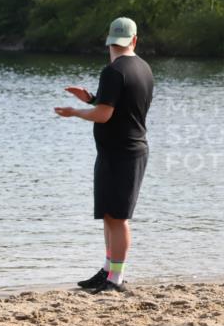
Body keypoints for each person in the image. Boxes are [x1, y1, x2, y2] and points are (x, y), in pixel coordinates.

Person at [55, 17, 154, 294]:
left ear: (110, 41)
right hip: (124, 151)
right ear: (134, 40)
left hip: (123, 153)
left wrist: (75, 112)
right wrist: (88, 98)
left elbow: (104, 114)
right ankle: (108, 270)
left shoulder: (112, 70)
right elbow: (119, 105)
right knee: (110, 215)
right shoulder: (143, 68)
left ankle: (116, 279)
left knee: (118, 217)